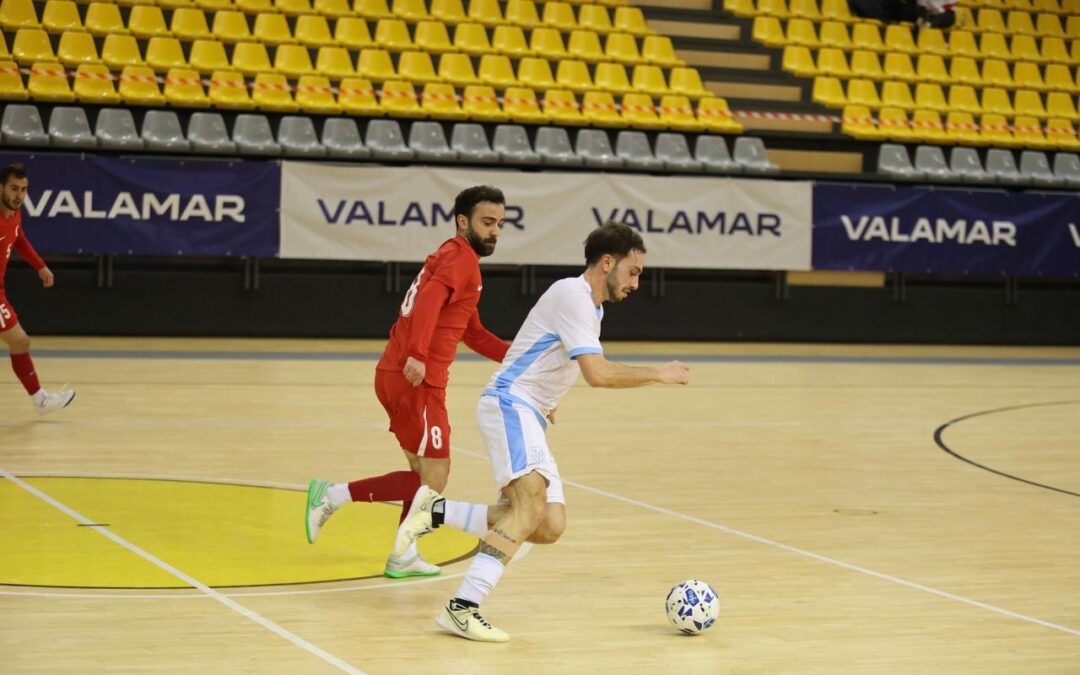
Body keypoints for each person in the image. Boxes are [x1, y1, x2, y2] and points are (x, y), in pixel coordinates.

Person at [392, 221, 690, 642]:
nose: (636, 282)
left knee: (548, 524)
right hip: (510, 405)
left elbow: (546, 358)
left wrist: (548, 402)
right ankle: (462, 607)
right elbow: (598, 375)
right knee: (528, 508)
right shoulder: (573, 296)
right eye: (633, 271)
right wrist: (659, 373)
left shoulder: (592, 307)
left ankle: (433, 512)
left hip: (525, 410)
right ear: (607, 262)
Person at [305, 185, 510, 578]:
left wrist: (520, 359)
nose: (495, 231)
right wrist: (418, 353)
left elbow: (474, 333)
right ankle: (336, 500)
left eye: (500, 224)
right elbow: (431, 300)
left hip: (399, 375)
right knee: (436, 474)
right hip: (417, 377)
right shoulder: (459, 258)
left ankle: (394, 546)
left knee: (421, 478)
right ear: (462, 221)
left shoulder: (459, 259)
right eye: (487, 223)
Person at [0, 163, 76, 414]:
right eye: (13, 188)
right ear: (1, 187)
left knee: (20, 342)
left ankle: (40, 400)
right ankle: (40, 399)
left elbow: (18, 237)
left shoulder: (14, 213)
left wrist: (40, 266)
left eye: (23, 189)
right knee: (20, 340)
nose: (19, 195)